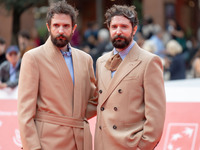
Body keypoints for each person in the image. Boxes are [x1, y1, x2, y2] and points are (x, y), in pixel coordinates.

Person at [17, 1, 97, 150]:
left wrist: (74, 115)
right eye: (56, 25)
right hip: (47, 142)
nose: (61, 30)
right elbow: (24, 112)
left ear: (73, 28)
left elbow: (93, 99)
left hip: (80, 140)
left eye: (66, 26)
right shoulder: (33, 58)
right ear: (49, 27)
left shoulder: (85, 59)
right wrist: (32, 147)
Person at [94, 5, 166, 150]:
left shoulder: (149, 61)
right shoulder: (101, 62)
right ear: (109, 29)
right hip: (102, 144)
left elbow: (156, 114)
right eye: (114, 27)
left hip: (129, 145)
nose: (118, 31)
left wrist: (143, 147)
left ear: (134, 29)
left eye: (124, 27)